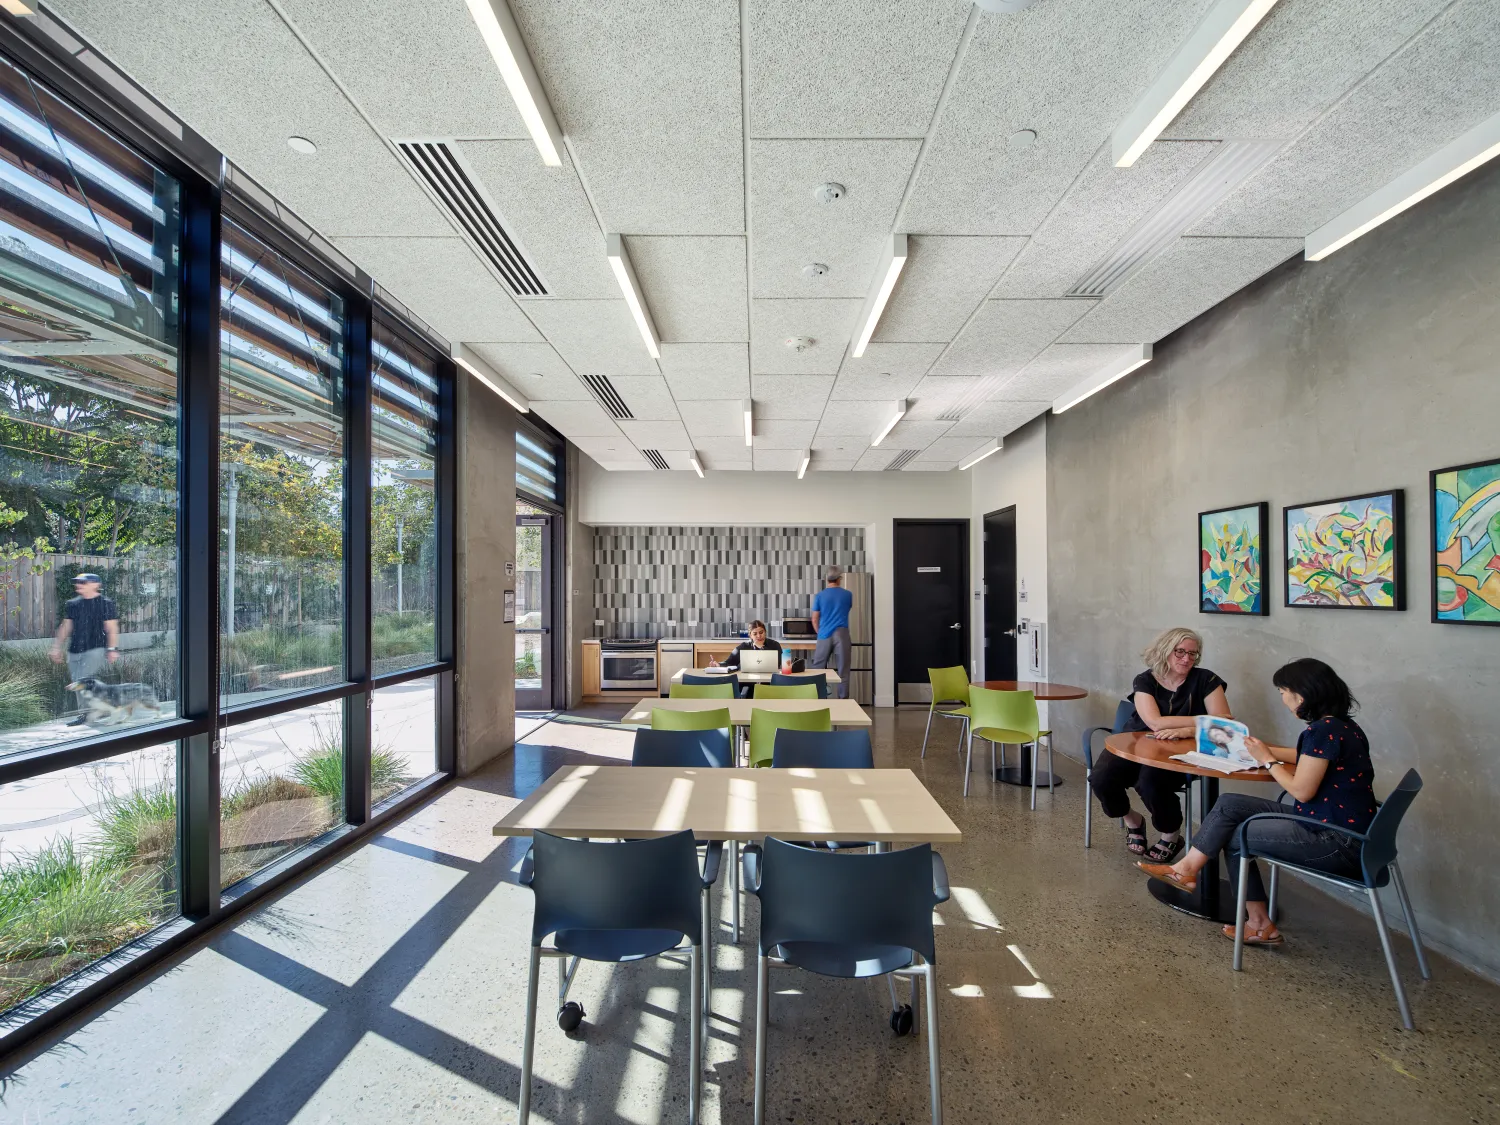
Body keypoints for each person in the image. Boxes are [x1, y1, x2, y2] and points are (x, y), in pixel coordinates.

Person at [1138, 658, 1377, 947]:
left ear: (1301, 695)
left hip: (1335, 840)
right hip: (1336, 825)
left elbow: (1301, 791)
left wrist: (1268, 760)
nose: (1283, 699)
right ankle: (1186, 870)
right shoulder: (1343, 726)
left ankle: (1259, 924)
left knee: (1237, 837)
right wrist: (1258, 749)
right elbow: (1307, 757)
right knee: (1230, 803)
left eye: (1283, 692)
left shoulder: (1321, 731)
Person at [1088, 627, 1231, 862]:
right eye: (1180, 652)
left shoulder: (1207, 679)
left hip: (1183, 749)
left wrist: (1186, 730)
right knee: (1101, 778)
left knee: (1151, 782)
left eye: (1193, 653)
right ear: (1165, 650)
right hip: (1135, 741)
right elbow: (1154, 722)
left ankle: (1171, 834)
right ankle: (1132, 820)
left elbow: (1224, 724)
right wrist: (1203, 721)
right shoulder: (1145, 680)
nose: (1187, 659)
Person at [51, 572, 121, 726]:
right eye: (77, 582)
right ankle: (100, 709)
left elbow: (112, 628)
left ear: (96, 585)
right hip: (74, 649)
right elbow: (66, 626)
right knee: (78, 682)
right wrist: (56, 647)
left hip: (95, 648)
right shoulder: (73, 604)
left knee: (83, 680)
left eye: (83, 582)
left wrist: (112, 648)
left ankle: (87, 714)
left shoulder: (105, 603)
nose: (78, 585)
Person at [810, 566, 852, 699]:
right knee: (843, 671)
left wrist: (820, 633)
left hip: (824, 634)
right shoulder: (848, 595)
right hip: (842, 634)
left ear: (826, 579)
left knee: (818, 670)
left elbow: (814, 619)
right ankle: (843, 702)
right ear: (839, 579)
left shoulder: (820, 596)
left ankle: (818, 700)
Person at [710, 619, 782, 695]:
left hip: (770, 682)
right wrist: (718, 665)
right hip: (748, 683)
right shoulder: (744, 646)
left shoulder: (775, 645)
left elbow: (778, 664)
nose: (759, 636)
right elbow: (729, 662)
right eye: (755, 634)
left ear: (765, 632)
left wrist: (762, 648)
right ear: (750, 635)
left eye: (761, 632)